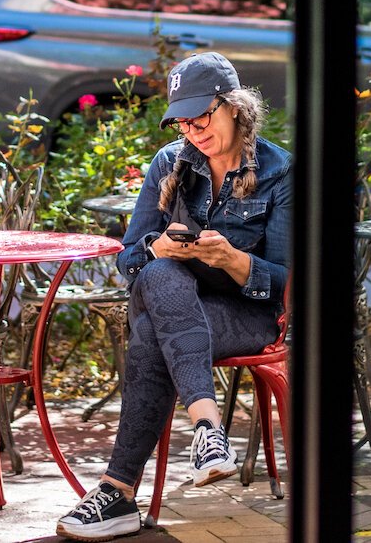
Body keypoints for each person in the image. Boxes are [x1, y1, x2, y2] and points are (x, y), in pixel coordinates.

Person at [55, 51, 291, 540]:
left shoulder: (280, 173)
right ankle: (208, 431)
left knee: (150, 335)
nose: (193, 130)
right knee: (161, 274)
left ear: (236, 108)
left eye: (202, 115)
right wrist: (157, 247)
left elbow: (290, 282)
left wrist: (233, 260)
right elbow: (127, 262)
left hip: (247, 313)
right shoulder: (169, 163)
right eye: (182, 120)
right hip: (175, 299)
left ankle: (117, 493)